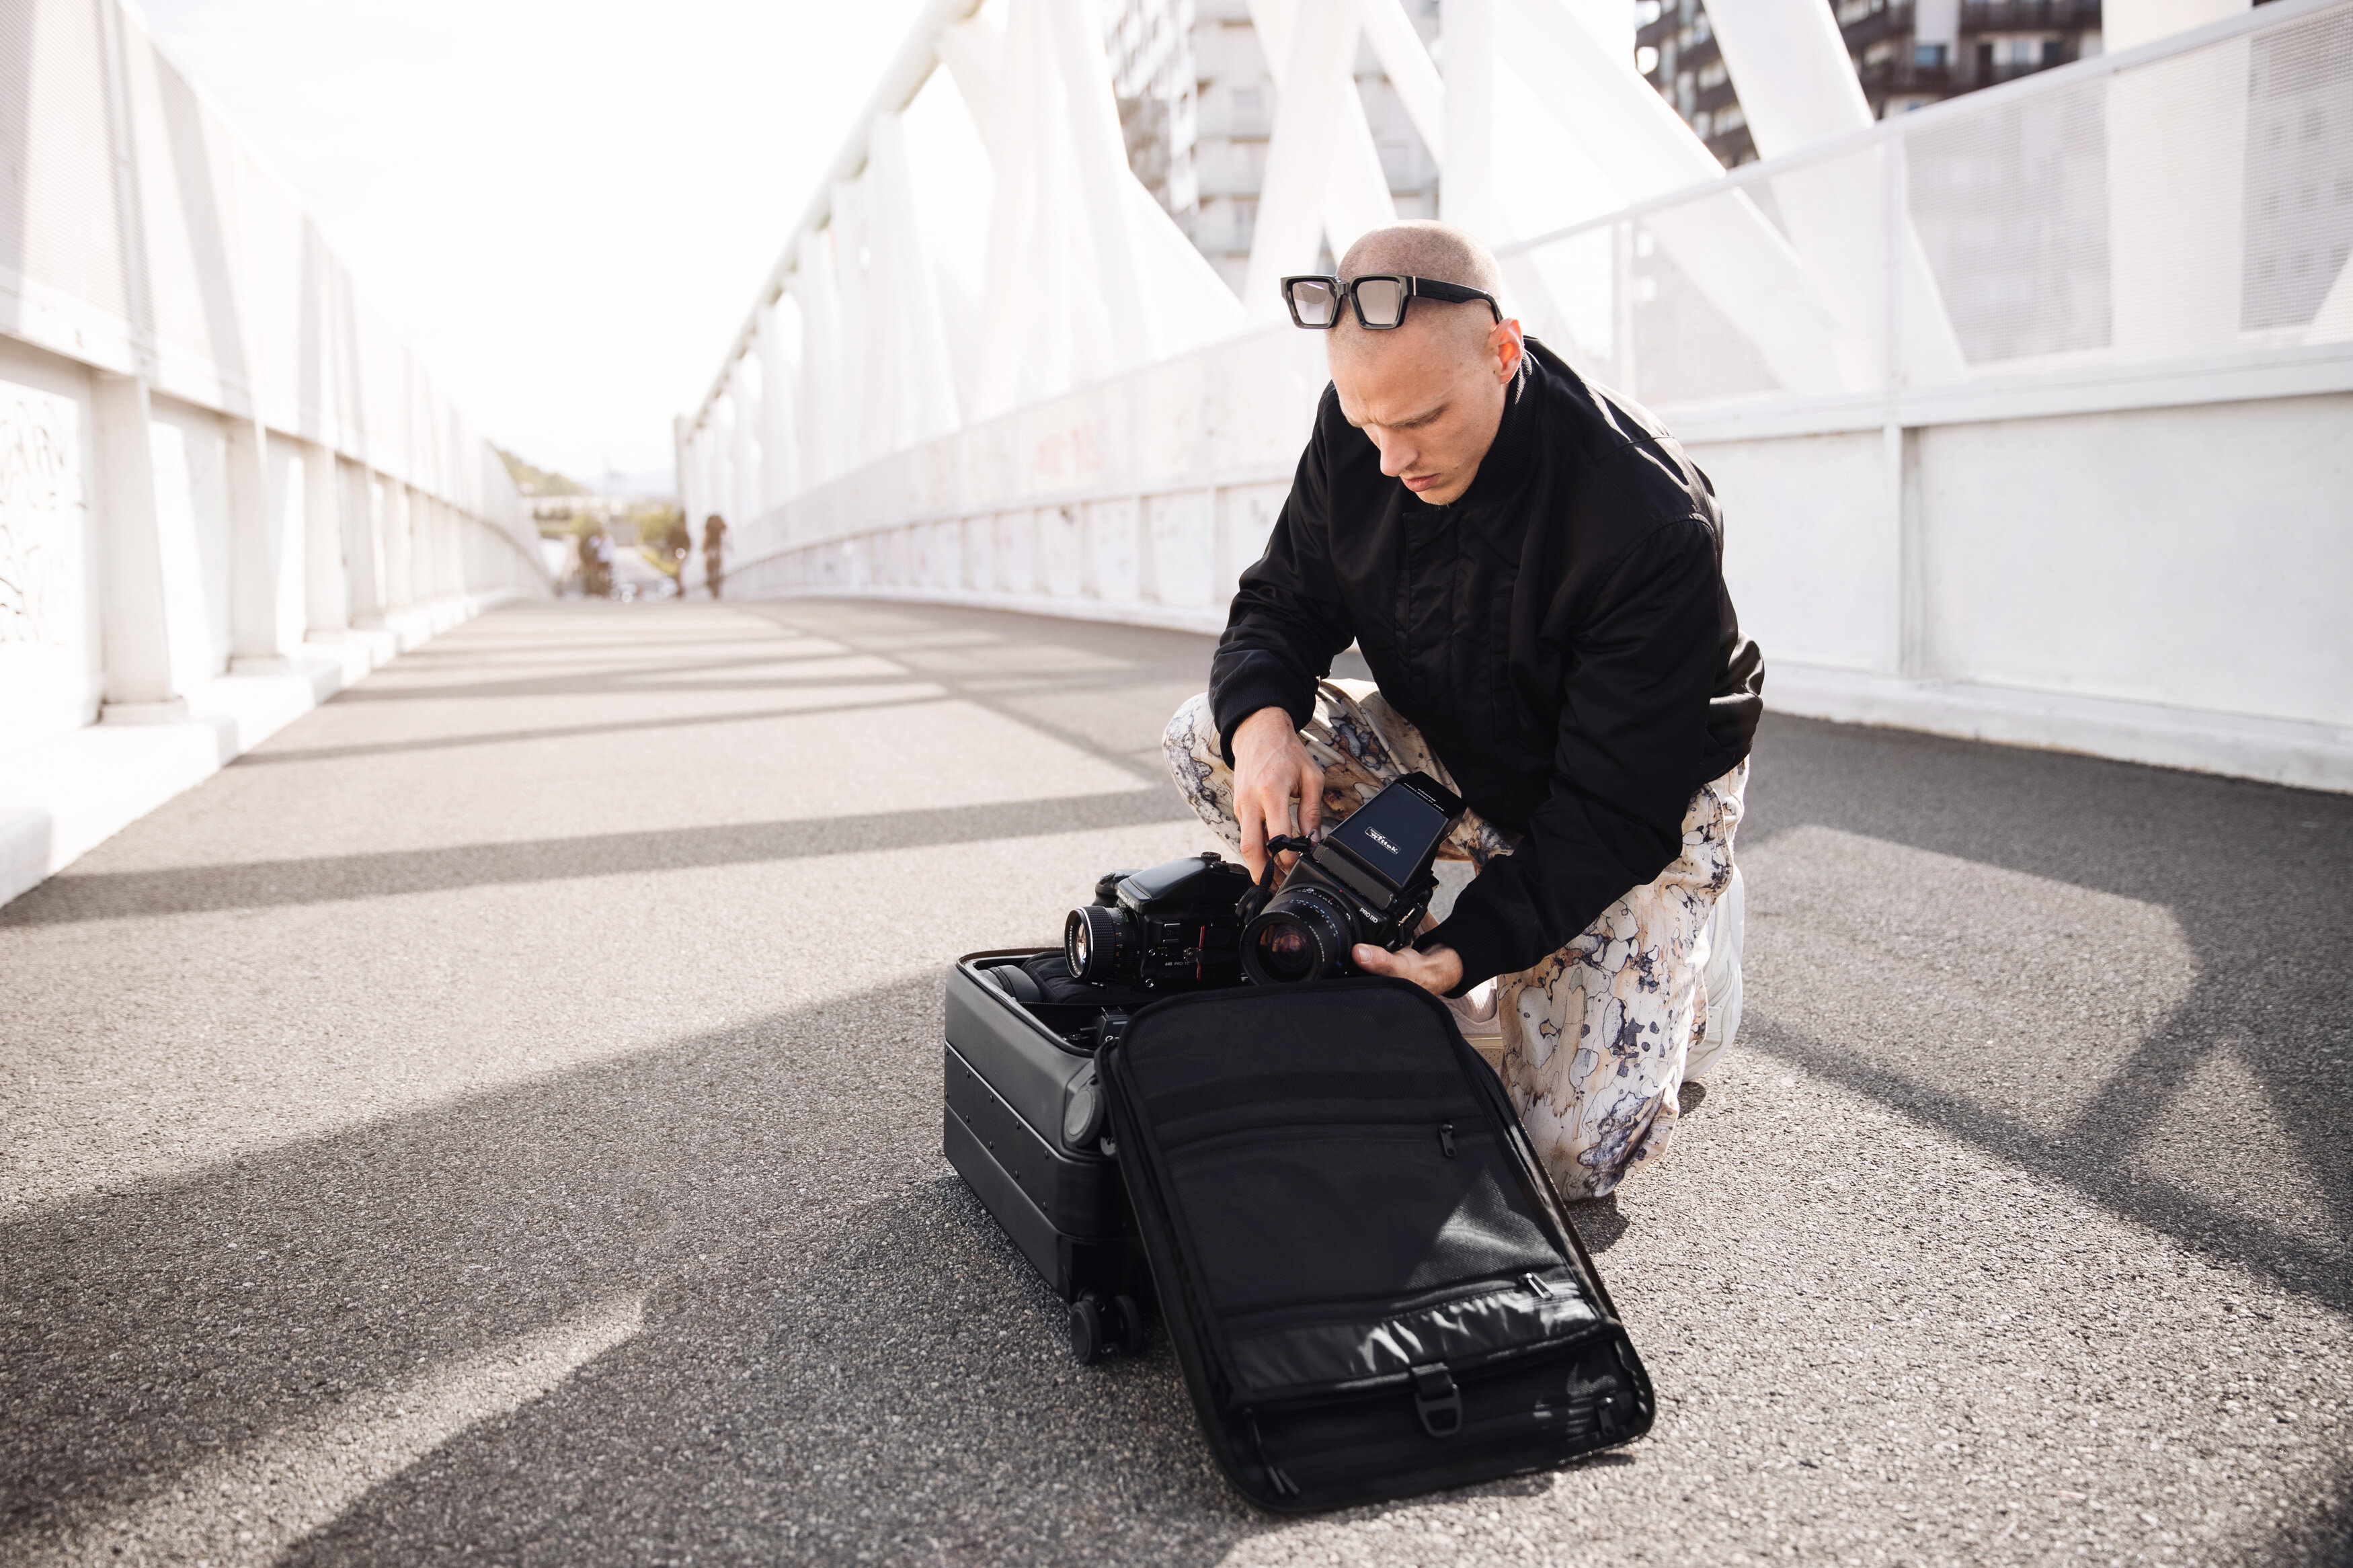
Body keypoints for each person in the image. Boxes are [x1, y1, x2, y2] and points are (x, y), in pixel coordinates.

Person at [1164, 222, 1765, 1202]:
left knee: (1567, 1158)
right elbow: (1281, 602)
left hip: (1625, 807)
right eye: (1367, 421)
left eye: (1423, 419)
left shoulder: (1645, 519)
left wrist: (1459, 953)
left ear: (1503, 350)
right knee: (1211, 737)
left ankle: (1692, 946)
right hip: (1453, 748)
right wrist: (1264, 729)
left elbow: (1611, 811)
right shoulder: (1366, 427)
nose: (1392, 457)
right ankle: (1426, 952)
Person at [664, 514, 693, 597]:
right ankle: (679, 585)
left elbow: (689, 544)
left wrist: (687, 551)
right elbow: (669, 542)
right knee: (678, 570)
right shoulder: (674, 533)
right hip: (675, 552)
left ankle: (681, 585)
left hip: (682, 552)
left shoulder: (685, 534)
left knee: (679, 568)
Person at [702, 513, 728, 600]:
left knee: (720, 556)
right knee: (708, 559)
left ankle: (720, 573)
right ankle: (709, 576)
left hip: (718, 544)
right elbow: (706, 537)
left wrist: (728, 544)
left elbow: (726, 535)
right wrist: (704, 547)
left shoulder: (722, 527)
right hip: (710, 544)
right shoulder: (709, 527)